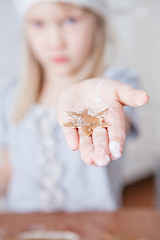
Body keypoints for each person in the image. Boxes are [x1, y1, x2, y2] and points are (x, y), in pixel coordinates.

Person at [0, 0, 149, 212]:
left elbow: (118, 124)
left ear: (97, 23)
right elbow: (7, 171)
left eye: (70, 20)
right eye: (39, 24)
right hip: (25, 230)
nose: (55, 41)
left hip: (95, 229)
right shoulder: (9, 95)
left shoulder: (115, 83)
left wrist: (101, 112)